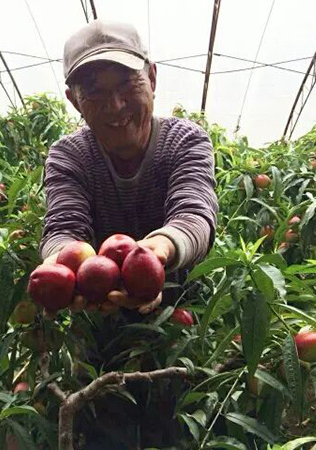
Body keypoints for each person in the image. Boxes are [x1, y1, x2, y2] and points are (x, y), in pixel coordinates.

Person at [38, 20, 218, 448]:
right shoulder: (69, 156)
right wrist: (62, 263)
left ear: (152, 78)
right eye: (94, 92)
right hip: (100, 317)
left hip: (177, 317)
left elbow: (195, 213)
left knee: (175, 425)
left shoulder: (185, 141)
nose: (115, 106)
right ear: (74, 101)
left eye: (127, 84)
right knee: (107, 426)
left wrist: (156, 253)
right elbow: (63, 227)